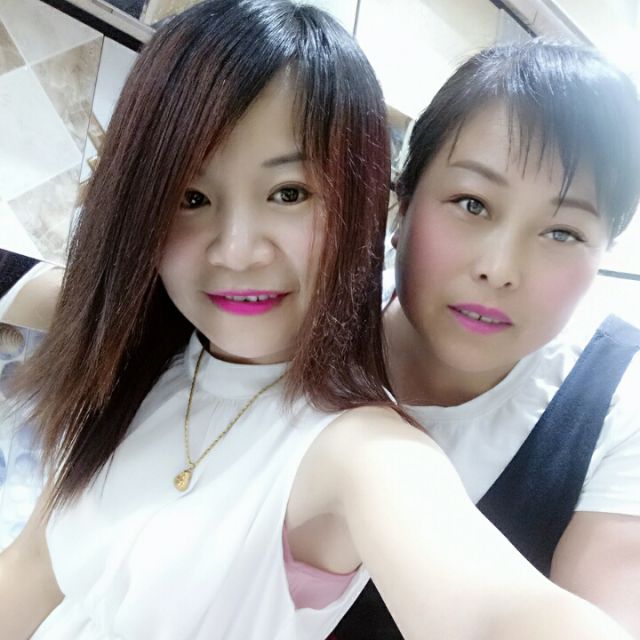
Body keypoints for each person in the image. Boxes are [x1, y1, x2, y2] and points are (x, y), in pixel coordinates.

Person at [0, 4, 632, 638]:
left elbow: (497, 613)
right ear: (400, 208)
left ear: (362, 206)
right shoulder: (141, 366)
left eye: (289, 193)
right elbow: (32, 568)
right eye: (191, 197)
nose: (238, 250)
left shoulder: (361, 448)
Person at [334, 39, 640, 639]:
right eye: (471, 204)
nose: (500, 270)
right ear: (402, 205)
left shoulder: (616, 403)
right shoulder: (309, 319)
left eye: (562, 233)